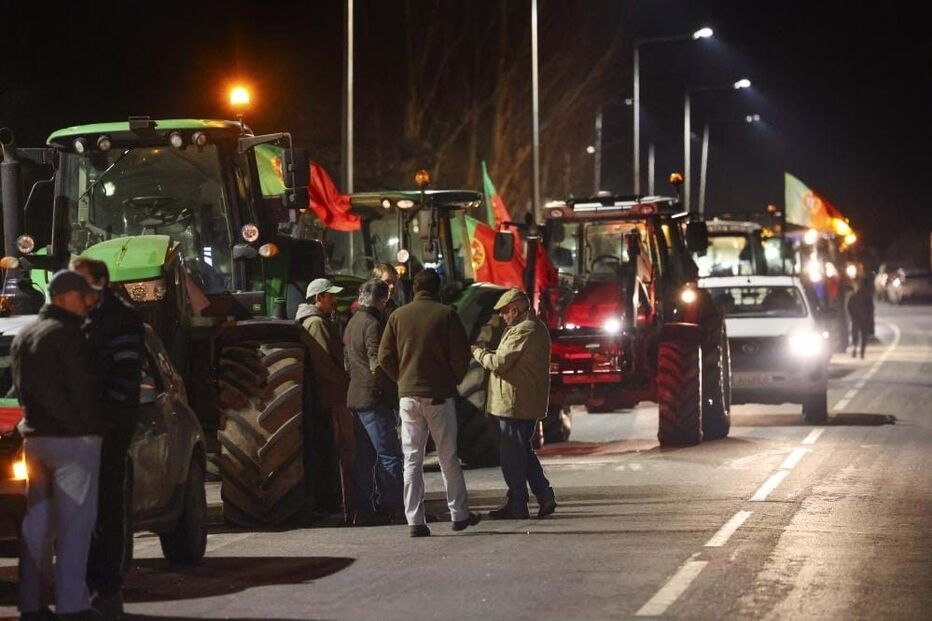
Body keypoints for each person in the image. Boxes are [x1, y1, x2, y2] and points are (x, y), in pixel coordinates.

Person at [13, 270, 104, 620]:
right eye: (83, 297)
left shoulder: (26, 335)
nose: (87, 304)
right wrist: (89, 428)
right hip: (71, 442)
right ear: (65, 297)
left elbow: (23, 389)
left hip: (35, 439)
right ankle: (72, 604)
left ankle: (31, 603)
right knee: (74, 525)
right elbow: (82, 391)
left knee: (37, 524)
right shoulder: (69, 335)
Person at [378, 268, 481, 537]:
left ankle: (415, 521)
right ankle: (459, 514)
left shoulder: (397, 316)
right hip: (438, 396)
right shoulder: (446, 314)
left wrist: (402, 379)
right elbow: (461, 356)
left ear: (414, 289)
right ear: (438, 289)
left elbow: (384, 356)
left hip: (408, 398)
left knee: (412, 459)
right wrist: (452, 380)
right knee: (448, 457)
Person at [70, 257, 145, 618]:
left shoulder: (120, 319)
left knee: (105, 511)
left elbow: (124, 377)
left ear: (99, 282)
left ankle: (106, 589)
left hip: (108, 429)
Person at [471, 288, 557, 520]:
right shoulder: (527, 328)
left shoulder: (525, 329)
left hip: (515, 403)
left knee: (512, 455)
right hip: (518, 402)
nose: (501, 316)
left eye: (504, 312)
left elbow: (499, 363)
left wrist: (478, 353)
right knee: (522, 451)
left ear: (515, 310)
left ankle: (518, 503)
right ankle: (543, 495)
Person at [296, 278, 357, 523]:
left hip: (328, 394)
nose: (334, 300)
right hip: (328, 395)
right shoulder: (316, 324)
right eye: (330, 296)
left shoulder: (318, 321)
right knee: (329, 449)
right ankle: (328, 499)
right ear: (318, 298)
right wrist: (345, 382)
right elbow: (323, 363)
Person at [344, 279, 403, 526]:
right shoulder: (373, 324)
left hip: (356, 398)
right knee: (390, 455)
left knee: (365, 458)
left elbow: (347, 364)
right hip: (374, 399)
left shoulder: (352, 323)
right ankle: (395, 507)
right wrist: (393, 388)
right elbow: (376, 363)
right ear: (382, 300)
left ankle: (365, 510)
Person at [847, 276, 875, 359]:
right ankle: (862, 352)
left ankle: (855, 348)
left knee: (855, 335)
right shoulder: (867, 297)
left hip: (856, 318)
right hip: (864, 319)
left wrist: (853, 316)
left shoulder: (853, 296)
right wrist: (869, 317)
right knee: (863, 336)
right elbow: (871, 308)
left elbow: (849, 307)